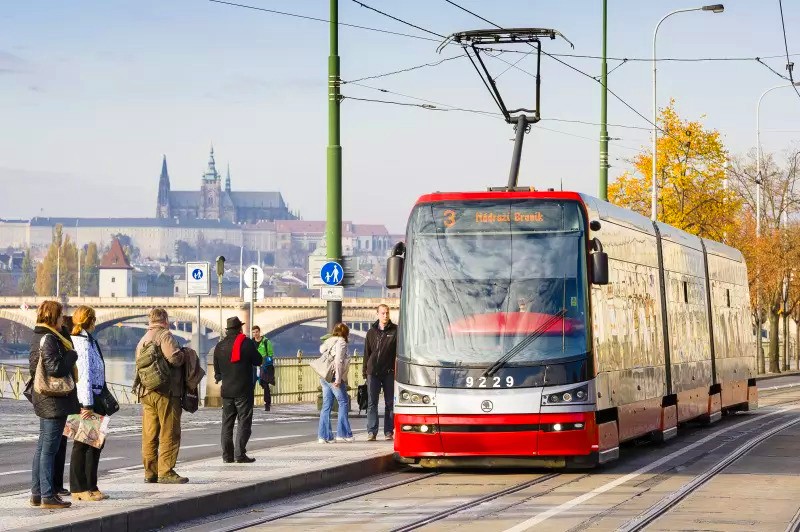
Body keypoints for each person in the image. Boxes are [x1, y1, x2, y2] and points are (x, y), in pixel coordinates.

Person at [29, 300, 79, 509]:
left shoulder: (41, 336)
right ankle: (48, 495)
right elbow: (55, 368)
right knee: (49, 449)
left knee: (43, 447)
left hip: (45, 397)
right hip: (53, 399)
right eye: (60, 316)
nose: (62, 319)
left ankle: (37, 493)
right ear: (53, 317)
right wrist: (71, 356)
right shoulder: (49, 338)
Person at [135, 308, 188, 484]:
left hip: (146, 391)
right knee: (169, 431)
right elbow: (174, 359)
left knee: (149, 433)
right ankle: (165, 471)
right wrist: (182, 354)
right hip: (166, 392)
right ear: (165, 320)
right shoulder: (165, 336)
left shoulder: (143, 339)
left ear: (150, 320)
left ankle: (150, 472)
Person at [69, 305, 109, 501]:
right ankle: (80, 487)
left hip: (93, 397)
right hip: (88, 399)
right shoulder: (81, 343)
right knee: (84, 444)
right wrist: (87, 405)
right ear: (90, 320)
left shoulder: (88, 340)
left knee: (94, 443)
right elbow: (83, 375)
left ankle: (91, 485)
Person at [213, 317, 262, 463]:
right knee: (244, 422)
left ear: (228, 330)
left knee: (227, 423)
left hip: (227, 391)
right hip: (243, 390)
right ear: (239, 329)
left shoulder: (219, 346)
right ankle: (240, 454)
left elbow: (217, 372)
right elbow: (258, 360)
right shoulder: (246, 343)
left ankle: (227, 456)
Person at [363, 304, 398, 441]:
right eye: (383, 313)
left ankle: (388, 431)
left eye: (387, 313)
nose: (385, 315)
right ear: (377, 314)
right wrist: (365, 372)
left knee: (390, 403)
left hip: (389, 372)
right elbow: (367, 353)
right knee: (372, 403)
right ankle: (372, 431)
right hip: (373, 372)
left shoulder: (395, 331)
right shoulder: (371, 332)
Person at [318, 323, 354, 444]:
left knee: (326, 405)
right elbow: (338, 361)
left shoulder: (329, 341)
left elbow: (321, 350)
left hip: (324, 376)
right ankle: (343, 434)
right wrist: (338, 379)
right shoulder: (341, 342)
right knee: (343, 402)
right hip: (334, 376)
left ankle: (324, 436)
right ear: (345, 333)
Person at [52, 314, 73, 500]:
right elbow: (58, 369)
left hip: (62, 399)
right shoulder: (59, 342)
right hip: (59, 398)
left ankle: (54, 486)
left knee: (57, 444)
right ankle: (54, 486)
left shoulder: (59, 341)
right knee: (56, 445)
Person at [252, 326, 275, 411]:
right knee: (251, 385)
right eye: (253, 332)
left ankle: (267, 404)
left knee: (265, 385)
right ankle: (250, 403)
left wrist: (266, 362)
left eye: (256, 332)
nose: (255, 334)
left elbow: (270, 355)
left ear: (259, 332)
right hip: (254, 366)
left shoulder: (266, 342)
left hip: (263, 366)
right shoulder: (251, 342)